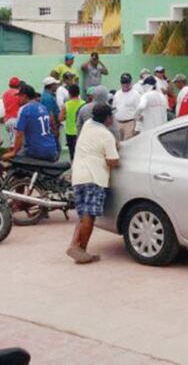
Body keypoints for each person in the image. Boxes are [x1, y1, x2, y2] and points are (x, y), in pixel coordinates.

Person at [67, 104, 119, 265]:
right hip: (94, 177)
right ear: (108, 118)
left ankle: (75, 246)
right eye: (112, 116)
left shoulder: (88, 125)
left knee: (83, 213)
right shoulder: (106, 135)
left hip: (79, 175)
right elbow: (113, 161)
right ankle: (80, 249)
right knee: (90, 214)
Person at [4, 85, 59, 162]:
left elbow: (19, 134)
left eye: (19, 96)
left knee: (8, 160)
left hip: (35, 151)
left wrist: (14, 152)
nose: (18, 99)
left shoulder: (24, 109)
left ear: (25, 96)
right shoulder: (43, 108)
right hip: (52, 150)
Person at [112, 73, 141, 140]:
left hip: (130, 123)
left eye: (127, 82)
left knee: (128, 146)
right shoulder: (117, 93)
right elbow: (114, 109)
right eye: (123, 82)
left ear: (131, 82)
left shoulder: (136, 94)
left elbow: (139, 112)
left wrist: (137, 128)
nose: (125, 85)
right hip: (118, 123)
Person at [60, 84, 85, 159]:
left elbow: (60, 118)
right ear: (79, 93)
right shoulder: (84, 103)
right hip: (81, 131)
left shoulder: (66, 105)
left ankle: (73, 168)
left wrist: (66, 116)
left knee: (72, 153)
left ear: (69, 93)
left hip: (70, 132)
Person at [1, 77, 21, 145]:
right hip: (16, 119)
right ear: (19, 85)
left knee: (11, 141)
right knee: (16, 143)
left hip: (7, 120)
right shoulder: (19, 93)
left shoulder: (5, 94)